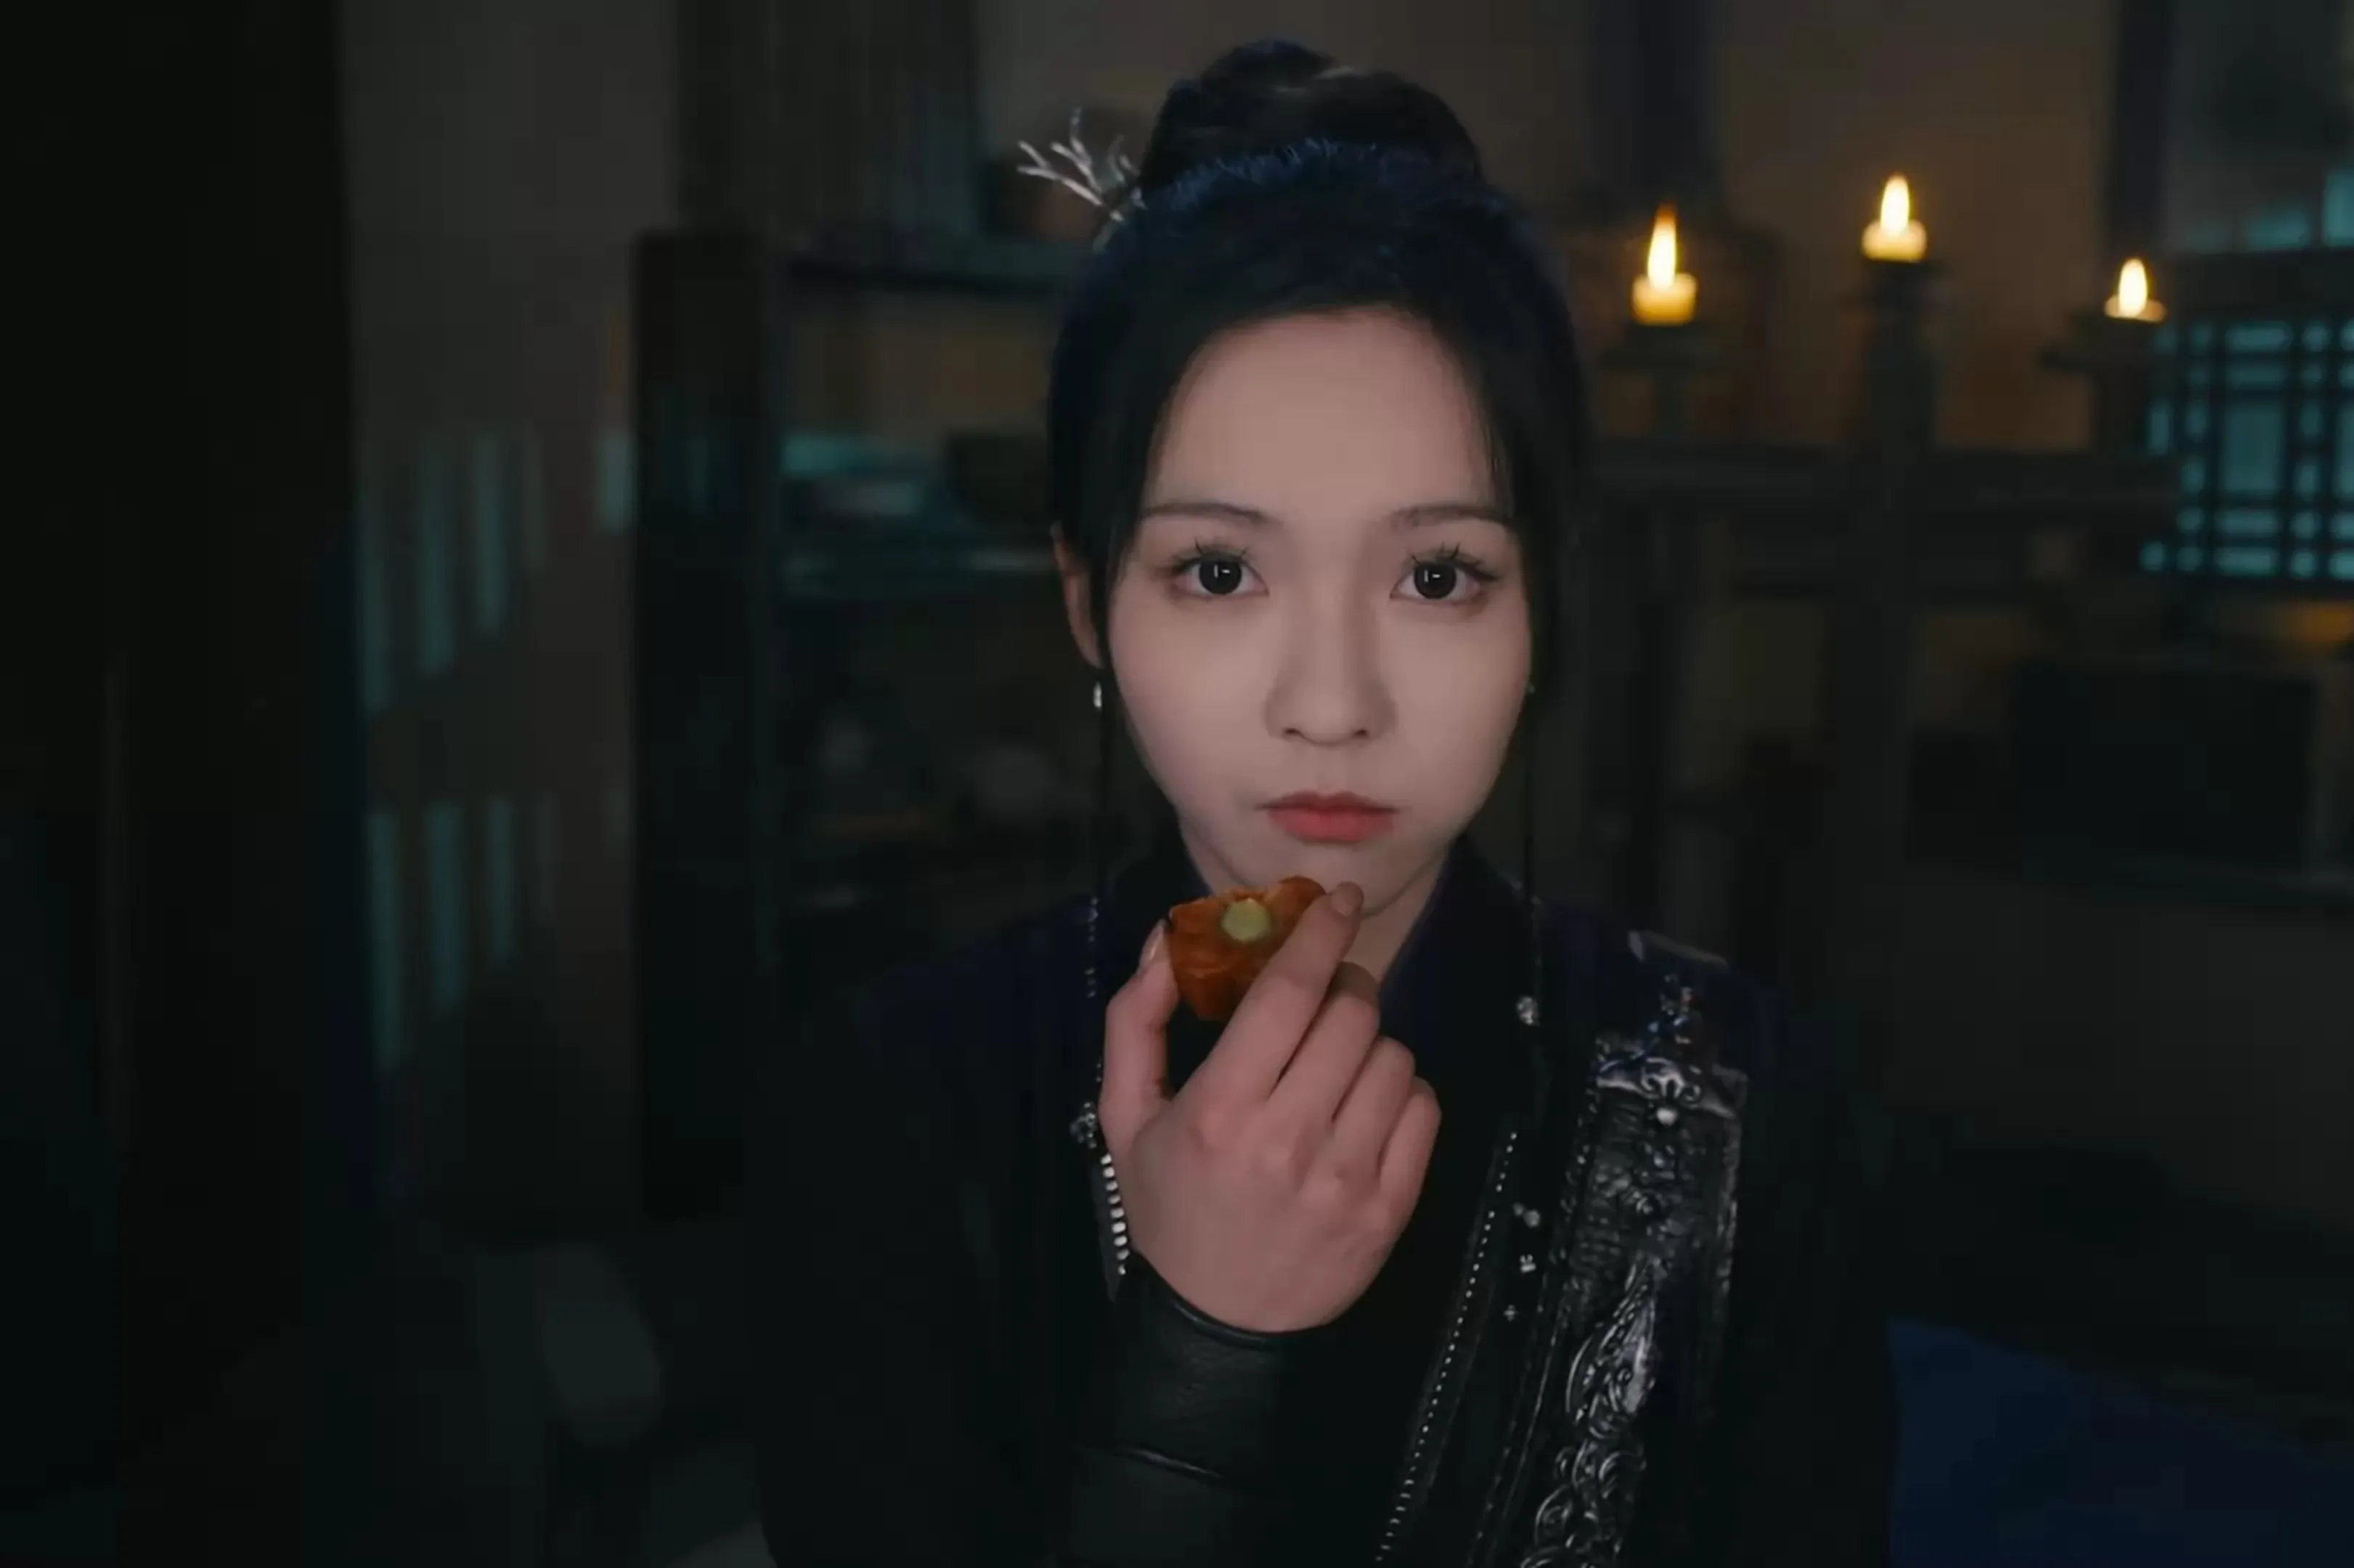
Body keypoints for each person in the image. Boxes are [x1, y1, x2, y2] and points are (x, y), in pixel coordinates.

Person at [748, 39, 1897, 1567]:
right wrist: (1201, 1357)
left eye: (1439, 575)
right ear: (1090, 603)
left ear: (1540, 607)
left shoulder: (1749, 1106)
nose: (1336, 704)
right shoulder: (893, 1107)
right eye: (1221, 571)